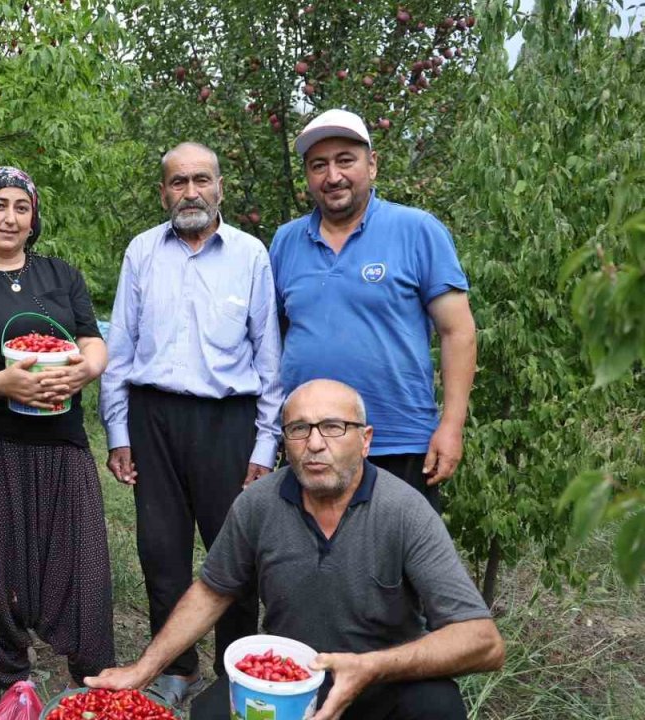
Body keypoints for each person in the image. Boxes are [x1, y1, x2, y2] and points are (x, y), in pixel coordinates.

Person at [87, 379, 506, 720]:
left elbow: (483, 642)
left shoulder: (404, 511)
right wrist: (144, 669)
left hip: (384, 680)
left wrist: (372, 667)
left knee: (437, 707)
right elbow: (213, 590)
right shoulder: (259, 503)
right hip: (289, 685)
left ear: (365, 440)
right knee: (210, 713)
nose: (315, 442)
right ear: (285, 440)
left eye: (333, 427)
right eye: (299, 428)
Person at [98, 142, 283, 707]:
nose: (190, 191)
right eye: (178, 182)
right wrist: (119, 433)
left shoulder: (250, 254)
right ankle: (177, 667)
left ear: (220, 187)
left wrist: (266, 442)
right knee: (161, 551)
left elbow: (269, 357)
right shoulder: (143, 251)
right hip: (154, 418)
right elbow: (120, 349)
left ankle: (236, 671)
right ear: (164, 192)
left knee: (236, 553)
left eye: (201, 179)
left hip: (228, 422)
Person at [0, 166, 115, 690]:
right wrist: (3, 385)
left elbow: (90, 336)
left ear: (33, 217)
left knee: (80, 558)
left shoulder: (60, 275)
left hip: (61, 440)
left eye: (21, 207)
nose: (10, 217)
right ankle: (12, 673)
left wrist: (88, 367)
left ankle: (91, 673)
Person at [270, 109, 477, 511]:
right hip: (308, 445)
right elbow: (272, 338)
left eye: (345, 160)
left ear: (372, 163)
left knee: (398, 570)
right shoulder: (285, 242)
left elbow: (459, 332)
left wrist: (451, 426)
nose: (332, 176)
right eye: (319, 165)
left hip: (397, 440)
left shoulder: (417, 230)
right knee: (311, 567)